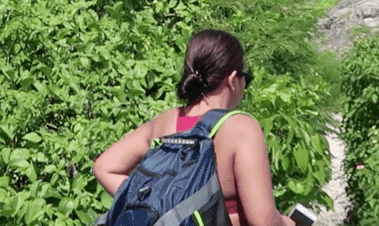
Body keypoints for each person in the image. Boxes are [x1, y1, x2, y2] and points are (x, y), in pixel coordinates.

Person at [93, 30, 297, 226]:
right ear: (233, 79)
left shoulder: (166, 121)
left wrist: (155, 203)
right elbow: (263, 220)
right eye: (247, 79)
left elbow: (104, 167)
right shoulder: (240, 127)